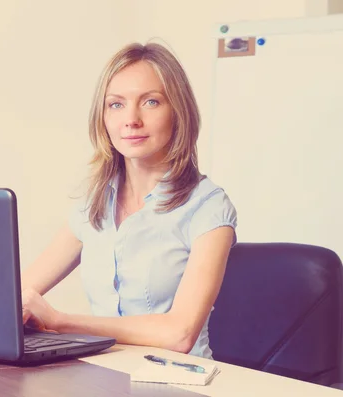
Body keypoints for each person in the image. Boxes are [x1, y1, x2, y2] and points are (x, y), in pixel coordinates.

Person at [20, 41, 237, 359]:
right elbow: (17, 293)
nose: (131, 119)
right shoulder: (92, 203)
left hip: (177, 381)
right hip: (103, 376)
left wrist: (61, 322)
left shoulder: (208, 207)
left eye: (150, 102)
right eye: (116, 104)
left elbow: (179, 333)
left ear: (178, 111)